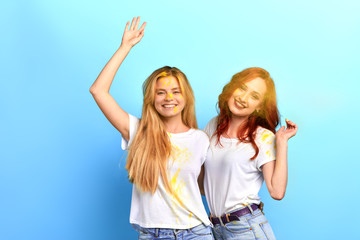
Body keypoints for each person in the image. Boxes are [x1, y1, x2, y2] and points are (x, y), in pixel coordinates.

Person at [89, 17, 213, 239]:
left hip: (196, 232)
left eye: (176, 91)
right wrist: (125, 47)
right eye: (161, 92)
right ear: (152, 98)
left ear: (186, 97)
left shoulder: (200, 139)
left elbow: (206, 187)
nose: (169, 98)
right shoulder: (137, 131)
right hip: (152, 234)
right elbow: (98, 90)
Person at [201, 67, 298, 240]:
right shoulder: (213, 125)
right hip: (214, 228)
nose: (243, 98)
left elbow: (277, 192)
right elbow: (203, 187)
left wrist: (281, 143)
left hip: (246, 228)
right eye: (242, 88)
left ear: (260, 107)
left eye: (254, 96)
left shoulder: (264, 137)